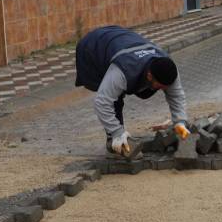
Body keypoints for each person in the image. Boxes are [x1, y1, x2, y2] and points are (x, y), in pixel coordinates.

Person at [74, 25, 189, 156]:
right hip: (93, 48)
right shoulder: (122, 70)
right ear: (150, 75)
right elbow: (102, 102)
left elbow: (176, 95)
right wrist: (117, 132)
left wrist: (180, 122)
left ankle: (118, 136)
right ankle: (114, 140)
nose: (163, 90)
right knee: (114, 97)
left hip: (120, 38)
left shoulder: (167, 68)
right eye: (160, 86)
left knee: (132, 88)